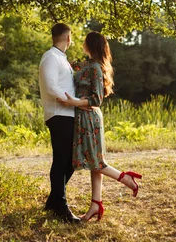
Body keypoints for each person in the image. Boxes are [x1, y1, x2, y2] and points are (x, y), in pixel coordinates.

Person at [57, 31, 142, 221]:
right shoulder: (85, 64)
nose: (82, 44)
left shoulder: (95, 68)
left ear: (90, 44)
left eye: (85, 41)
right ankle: (96, 205)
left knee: (96, 162)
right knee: (95, 164)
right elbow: (68, 68)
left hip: (90, 118)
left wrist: (74, 102)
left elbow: (97, 99)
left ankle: (126, 178)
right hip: (82, 117)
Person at [38, 23, 81, 223]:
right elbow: (50, 86)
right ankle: (60, 206)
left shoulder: (62, 59)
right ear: (68, 38)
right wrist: (67, 100)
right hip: (58, 115)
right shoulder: (51, 57)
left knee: (71, 160)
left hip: (68, 115)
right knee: (61, 160)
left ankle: (53, 201)